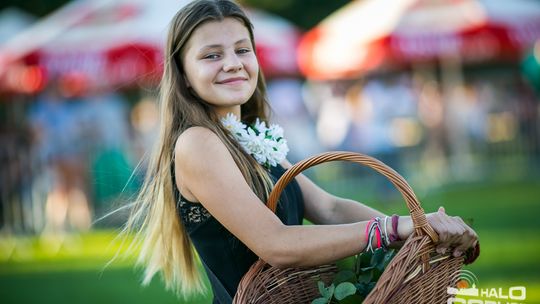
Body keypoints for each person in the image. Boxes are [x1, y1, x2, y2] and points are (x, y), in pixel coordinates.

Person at [122, 1, 478, 303]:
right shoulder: (197, 143)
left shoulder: (249, 137)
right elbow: (276, 244)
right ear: (183, 74)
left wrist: (420, 228)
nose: (232, 63)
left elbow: (328, 207)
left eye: (242, 50)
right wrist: (393, 229)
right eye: (212, 55)